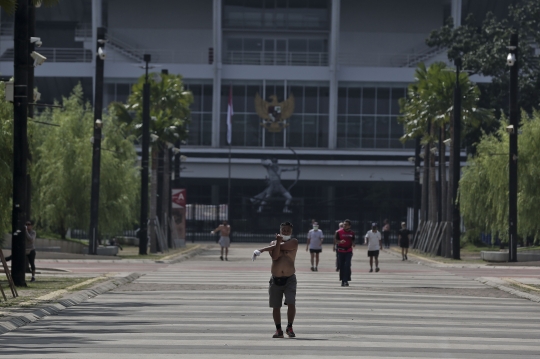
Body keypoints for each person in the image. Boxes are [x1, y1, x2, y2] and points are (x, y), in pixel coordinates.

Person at [251, 222, 298, 338]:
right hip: (275, 279)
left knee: (291, 302)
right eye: (283, 230)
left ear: (291, 232)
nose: (285, 232)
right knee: (276, 306)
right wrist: (277, 242)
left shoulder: (294, 242)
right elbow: (276, 256)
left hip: (289, 279)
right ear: (280, 231)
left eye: (288, 230)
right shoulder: (273, 243)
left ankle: (290, 327)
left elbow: (283, 247)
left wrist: (261, 250)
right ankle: (278, 329)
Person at [335, 219, 355, 287]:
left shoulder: (352, 233)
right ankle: (343, 280)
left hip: (348, 251)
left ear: (349, 226)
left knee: (348, 265)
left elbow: (353, 240)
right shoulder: (338, 232)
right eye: (344, 224)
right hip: (341, 251)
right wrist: (340, 242)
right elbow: (335, 240)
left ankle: (346, 279)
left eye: (346, 225)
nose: (344, 225)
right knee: (342, 266)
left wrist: (353, 244)